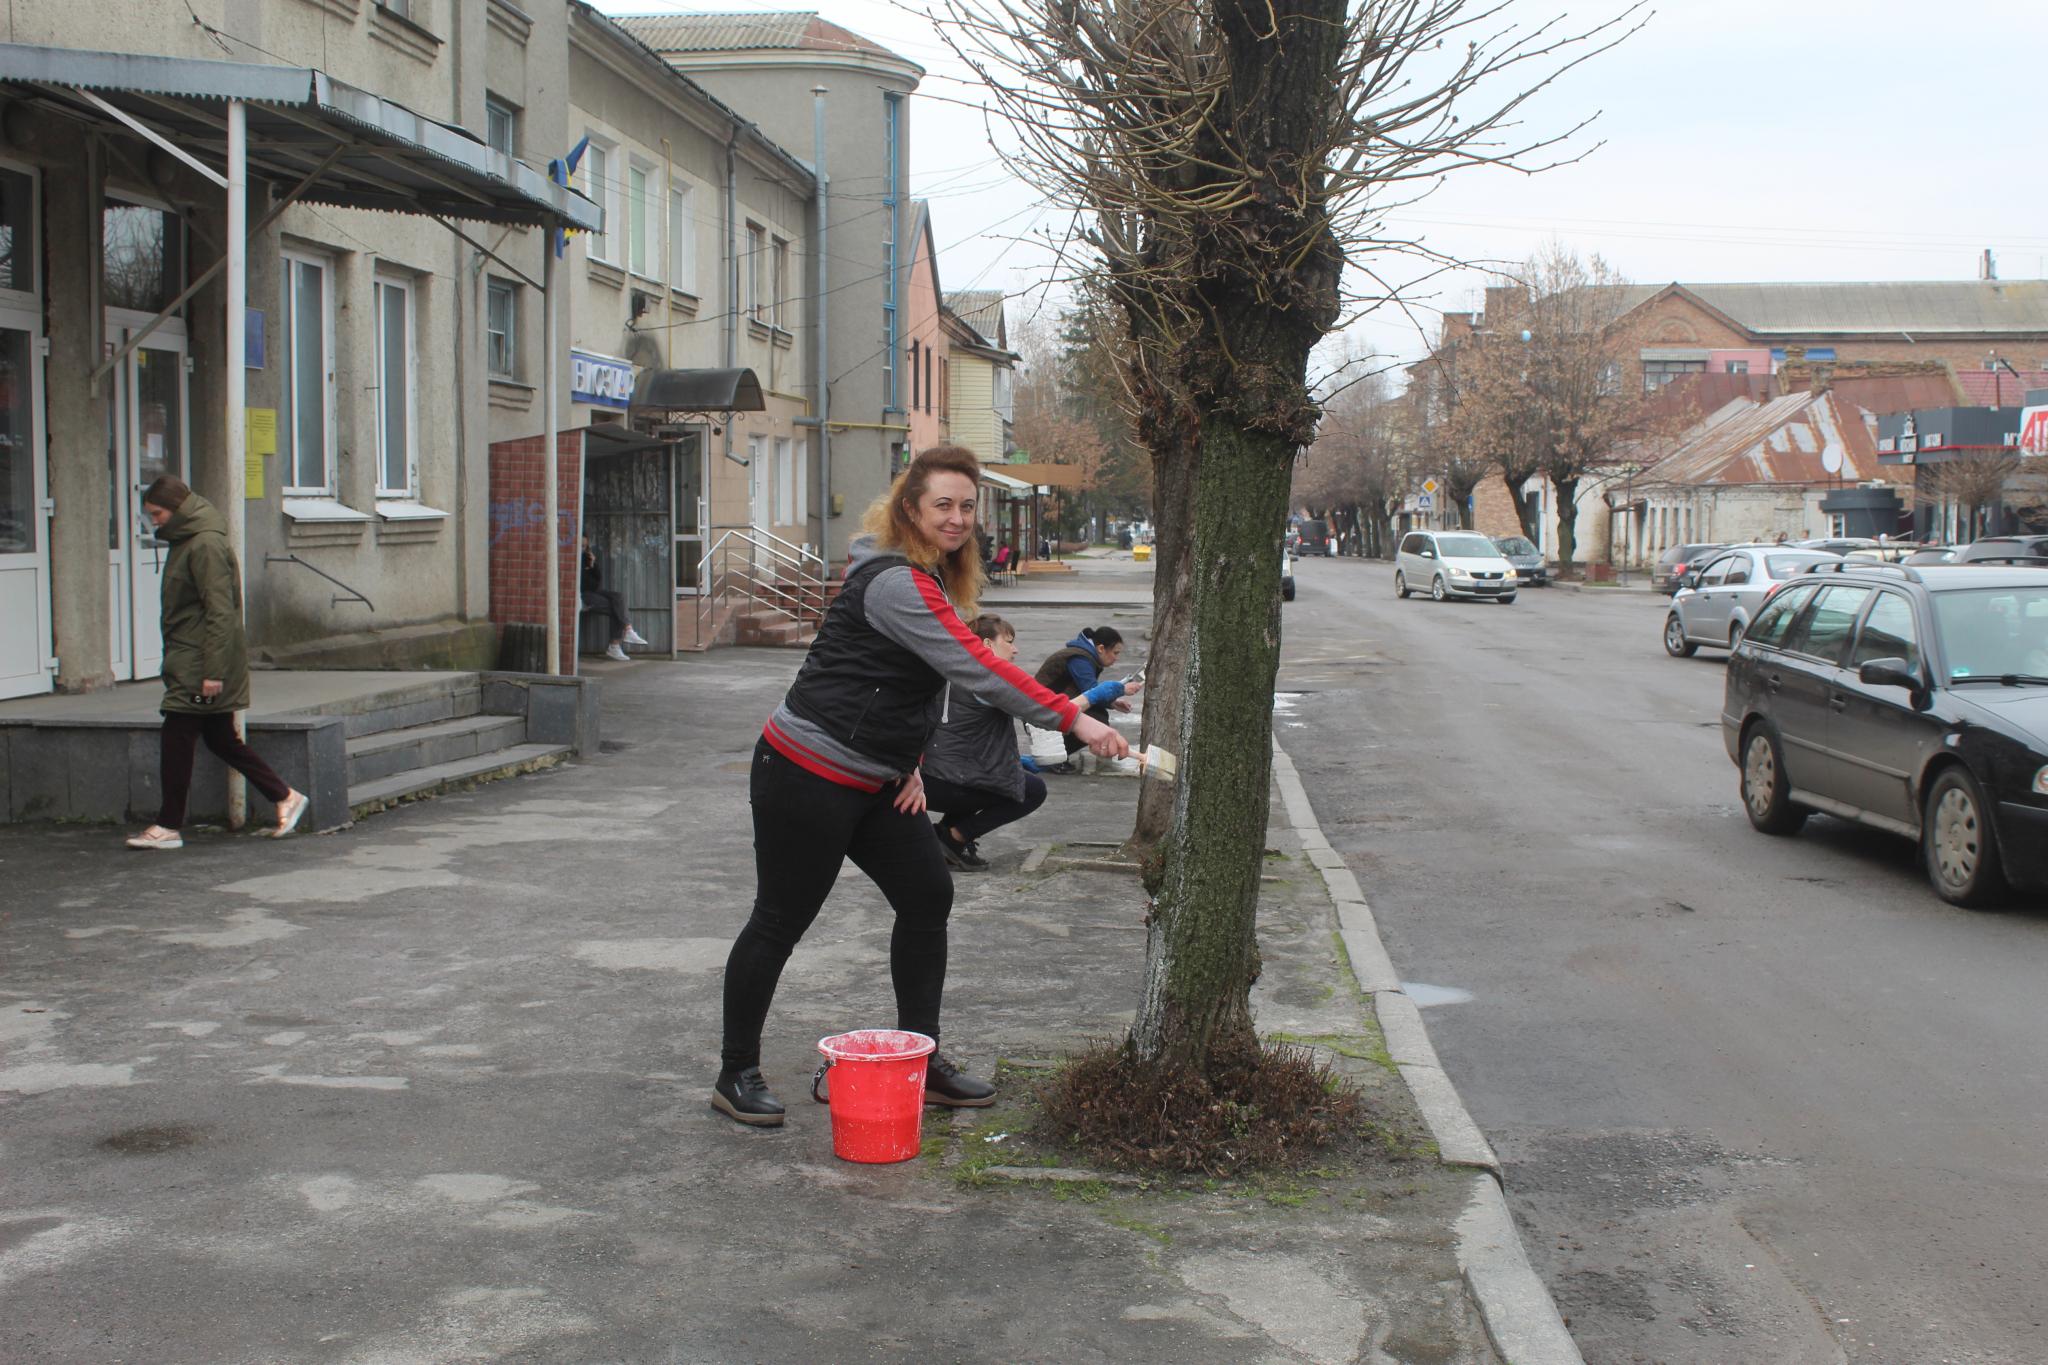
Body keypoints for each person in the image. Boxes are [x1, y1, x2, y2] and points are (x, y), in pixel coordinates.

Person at [713, 445, 1129, 1128]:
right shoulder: (896, 581)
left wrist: (908, 758)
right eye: (943, 503)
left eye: (967, 505)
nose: (958, 517)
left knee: (927, 893)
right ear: (910, 507)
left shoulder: (929, 577)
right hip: (806, 770)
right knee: (780, 919)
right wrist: (1072, 717)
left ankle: (921, 1059)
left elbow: (905, 683)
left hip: (877, 777)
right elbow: (973, 668)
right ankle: (736, 1072)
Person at [125, 476, 307, 851]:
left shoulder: (204, 544)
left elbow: (220, 612)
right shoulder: (190, 539)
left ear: (176, 509)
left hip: (199, 661)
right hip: (194, 657)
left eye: (157, 513)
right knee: (220, 738)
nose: (154, 521)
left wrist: (212, 671)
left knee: (177, 737)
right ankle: (284, 796)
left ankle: (168, 825)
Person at [923, 614, 1047, 872]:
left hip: (929, 774)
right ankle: (953, 838)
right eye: (1009, 641)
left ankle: (948, 837)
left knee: (1000, 777)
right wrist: (1099, 696)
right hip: (947, 779)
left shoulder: (948, 669)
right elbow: (1041, 708)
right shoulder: (987, 682)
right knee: (1030, 790)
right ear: (988, 645)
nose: (1015, 649)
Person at [1033, 625, 1143, 771]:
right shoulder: (1080, 659)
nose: (1116, 659)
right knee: (1097, 718)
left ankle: (1056, 755)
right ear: (1101, 648)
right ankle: (1053, 757)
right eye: (1115, 653)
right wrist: (1121, 689)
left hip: (1048, 705)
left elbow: (1089, 694)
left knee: (1097, 714)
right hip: (1038, 711)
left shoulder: (1083, 655)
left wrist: (1113, 703)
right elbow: (1091, 691)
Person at [581, 537, 647, 662]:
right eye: (580, 546)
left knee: (618, 597)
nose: (582, 549)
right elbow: (585, 584)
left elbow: (597, 582)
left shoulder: (586, 559)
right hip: (584, 594)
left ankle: (627, 631)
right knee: (615, 608)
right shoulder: (574, 560)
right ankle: (616, 643)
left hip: (593, 591)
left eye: (584, 546)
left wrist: (593, 565)